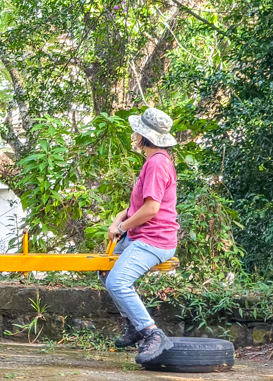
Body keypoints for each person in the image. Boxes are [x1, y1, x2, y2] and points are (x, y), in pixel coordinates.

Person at [105, 107, 180, 366]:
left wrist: (123, 227)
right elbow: (136, 206)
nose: (134, 134)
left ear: (142, 135)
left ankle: (152, 333)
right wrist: (118, 220)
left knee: (117, 282)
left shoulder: (158, 164)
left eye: (136, 131)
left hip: (154, 240)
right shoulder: (152, 161)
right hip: (140, 236)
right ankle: (134, 326)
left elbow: (151, 209)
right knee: (105, 271)